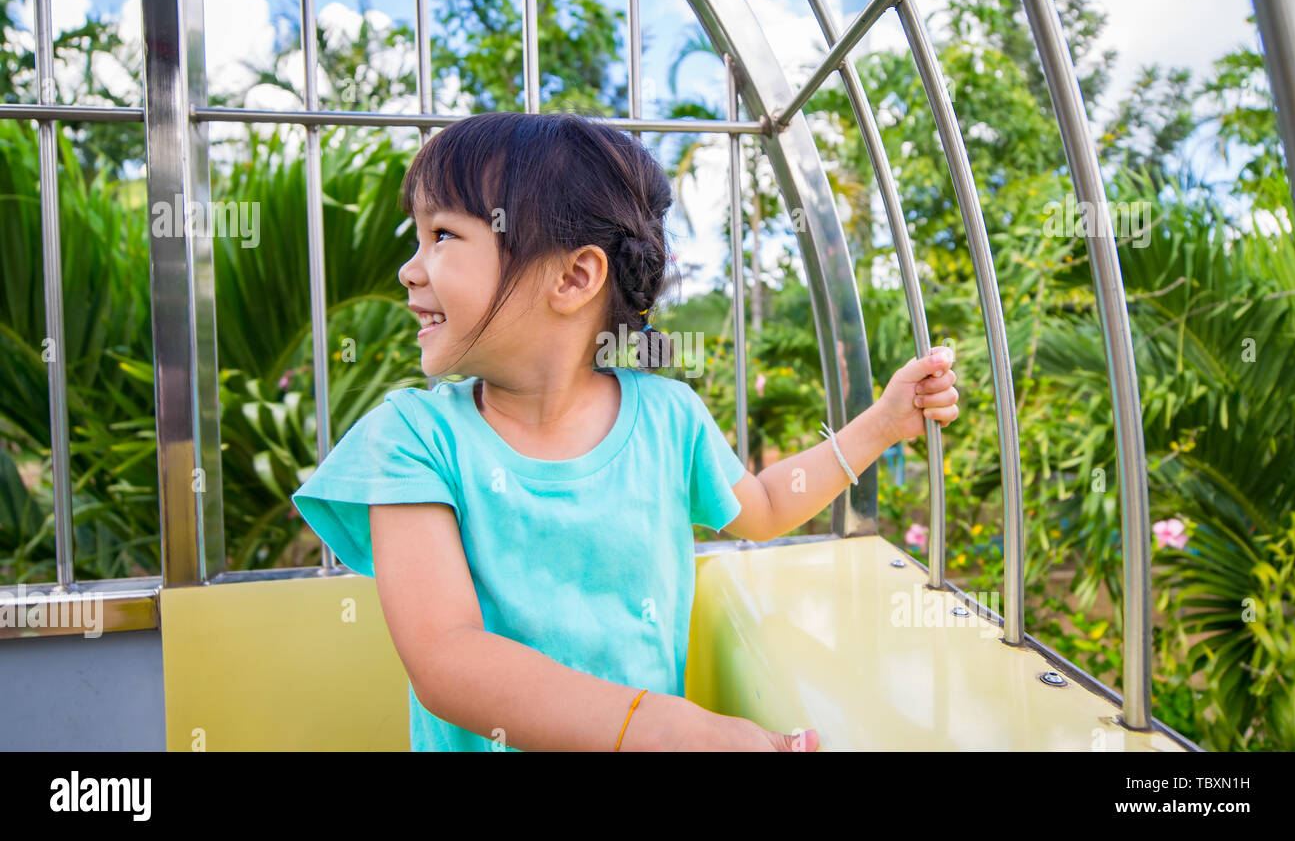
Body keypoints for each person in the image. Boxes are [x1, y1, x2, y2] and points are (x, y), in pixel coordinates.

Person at [291, 111, 959, 752]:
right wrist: (657, 730)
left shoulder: (669, 419)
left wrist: (882, 423)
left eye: (442, 236)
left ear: (575, 277)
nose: (409, 269)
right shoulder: (410, 439)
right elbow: (447, 656)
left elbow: (763, 507)